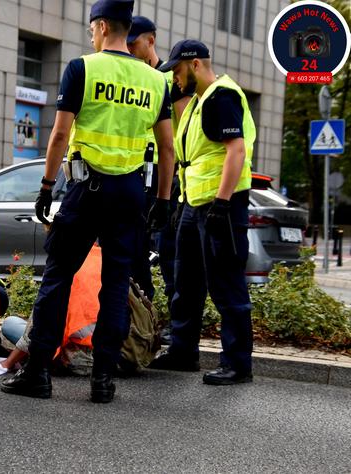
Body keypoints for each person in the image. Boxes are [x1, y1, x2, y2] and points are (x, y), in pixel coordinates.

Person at [0, 0, 174, 403]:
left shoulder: (83, 68)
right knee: (114, 285)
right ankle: (102, 381)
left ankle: (38, 372)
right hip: (130, 193)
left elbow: (60, 136)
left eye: (91, 29)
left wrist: (45, 187)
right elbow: (167, 148)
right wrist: (163, 200)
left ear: (99, 26)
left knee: (58, 277)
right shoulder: (155, 81)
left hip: (86, 189)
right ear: (127, 28)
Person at [150, 40, 256, 385]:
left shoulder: (220, 97)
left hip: (219, 207)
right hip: (194, 205)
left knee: (226, 286)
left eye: (178, 71)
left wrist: (223, 202)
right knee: (186, 285)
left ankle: (237, 364)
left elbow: (235, 151)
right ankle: (183, 352)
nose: (175, 79)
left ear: (195, 64)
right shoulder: (197, 102)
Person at [126, 16, 195, 333]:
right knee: (135, 255)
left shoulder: (170, 79)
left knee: (170, 255)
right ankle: (143, 320)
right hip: (137, 177)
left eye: (133, 42)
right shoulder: (130, 76)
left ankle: (175, 328)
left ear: (150, 41)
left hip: (167, 179)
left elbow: (183, 131)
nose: (127, 48)